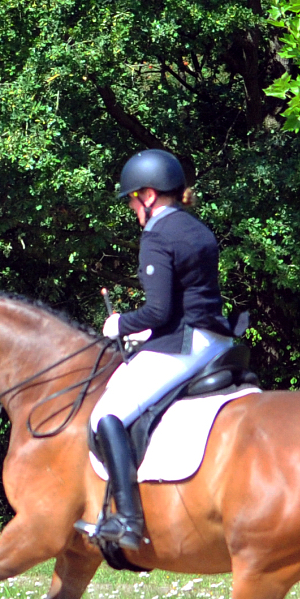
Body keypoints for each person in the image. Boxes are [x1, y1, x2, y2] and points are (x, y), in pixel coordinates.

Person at [87, 148, 238, 551]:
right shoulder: (196, 228)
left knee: (108, 413)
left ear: (149, 195)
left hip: (185, 344)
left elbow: (158, 310)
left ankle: (128, 522)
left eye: (133, 200)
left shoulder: (157, 234)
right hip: (217, 340)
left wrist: (120, 324)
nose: (133, 209)